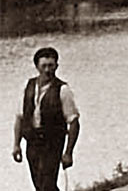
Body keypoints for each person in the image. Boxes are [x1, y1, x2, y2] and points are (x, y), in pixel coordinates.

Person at [12, 47, 80, 191]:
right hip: (32, 142)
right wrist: (16, 145)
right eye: (44, 66)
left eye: (51, 66)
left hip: (52, 143)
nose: (48, 70)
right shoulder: (28, 86)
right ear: (37, 66)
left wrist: (68, 153)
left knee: (46, 184)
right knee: (38, 184)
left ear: (57, 66)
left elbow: (73, 122)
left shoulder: (63, 90)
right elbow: (20, 117)